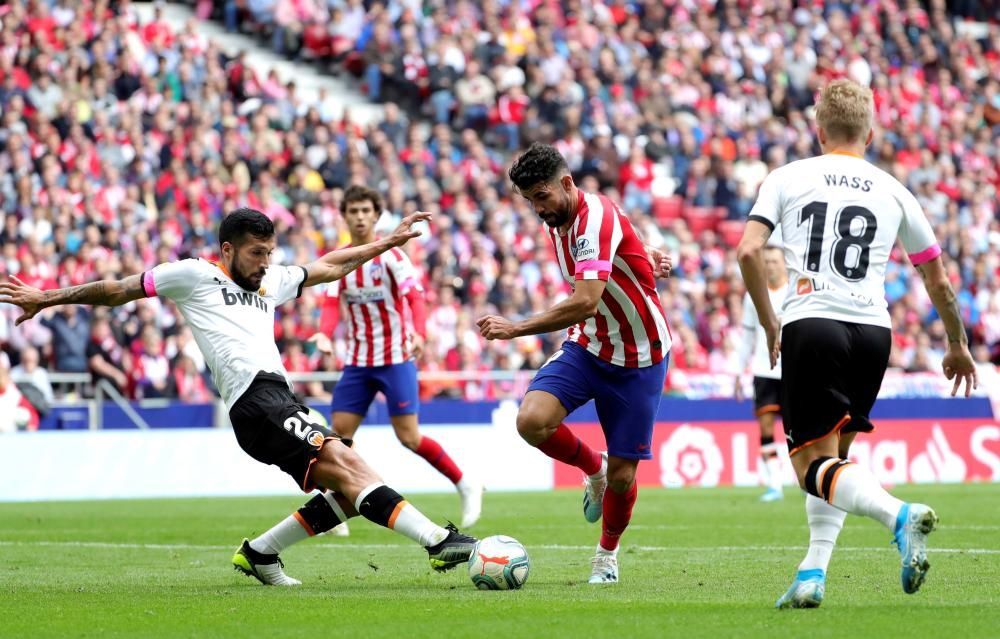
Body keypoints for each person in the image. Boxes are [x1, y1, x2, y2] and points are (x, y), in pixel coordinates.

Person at [0, 207, 477, 586]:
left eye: (269, 252)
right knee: (352, 469)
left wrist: (387, 242)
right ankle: (438, 542)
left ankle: (260, 553)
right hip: (255, 402)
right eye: (255, 253)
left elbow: (329, 266)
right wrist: (47, 297)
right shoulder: (191, 275)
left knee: (352, 490)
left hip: (279, 399)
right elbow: (116, 290)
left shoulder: (269, 282)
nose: (264, 262)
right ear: (227, 249)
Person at [736, 79, 978, 609]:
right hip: (874, 332)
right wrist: (958, 344)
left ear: (818, 130)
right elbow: (938, 281)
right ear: (870, 133)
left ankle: (899, 515)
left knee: (807, 466)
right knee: (837, 459)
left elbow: (749, 252)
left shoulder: (788, 176)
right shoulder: (894, 189)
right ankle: (812, 573)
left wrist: (769, 320)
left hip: (814, 321)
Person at [477, 143, 672, 584]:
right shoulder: (560, 218)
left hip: (640, 357)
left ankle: (606, 555)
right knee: (531, 421)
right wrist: (648, 253)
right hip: (590, 346)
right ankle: (593, 468)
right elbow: (622, 233)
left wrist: (515, 328)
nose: (537, 209)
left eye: (541, 197)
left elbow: (585, 301)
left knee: (626, 478)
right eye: (529, 201)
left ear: (566, 183)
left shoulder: (592, 217)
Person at [303, 185, 481, 539]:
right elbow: (328, 304)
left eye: (365, 210)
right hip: (356, 363)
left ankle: (465, 483)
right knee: (337, 439)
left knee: (410, 437)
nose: (359, 217)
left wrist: (417, 333)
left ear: (375, 215)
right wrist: (324, 333)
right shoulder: (340, 258)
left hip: (395, 359)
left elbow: (415, 298)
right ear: (344, 216)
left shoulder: (393, 258)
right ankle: (333, 510)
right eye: (352, 211)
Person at [736, 245, 788, 502]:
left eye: (774, 261)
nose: (770, 266)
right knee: (766, 427)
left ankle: (805, 479)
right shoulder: (753, 295)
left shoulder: (796, 294)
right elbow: (747, 335)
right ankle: (775, 484)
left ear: (784, 263)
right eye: (766, 261)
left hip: (792, 370)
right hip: (763, 369)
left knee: (798, 429)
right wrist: (738, 370)